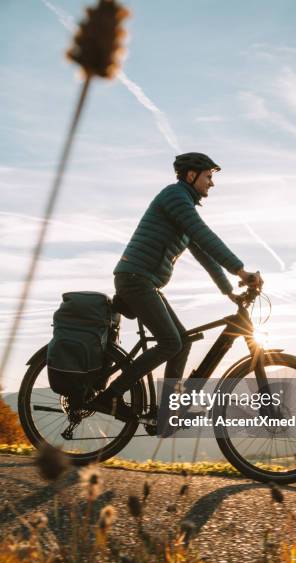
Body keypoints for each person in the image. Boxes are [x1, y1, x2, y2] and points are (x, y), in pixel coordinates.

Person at [89, 152, 263, 421]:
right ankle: (109, 397)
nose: (211, 183)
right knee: (171, 342)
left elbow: (203, 251)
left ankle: (167, 410)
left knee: (181, 342)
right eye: (208, 177)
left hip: (144, 281)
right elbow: (205, 235)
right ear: (191, 175)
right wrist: (241, 269)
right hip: (135, 279)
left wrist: (228, 289)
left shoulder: (184, 208)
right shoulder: (175, 197)